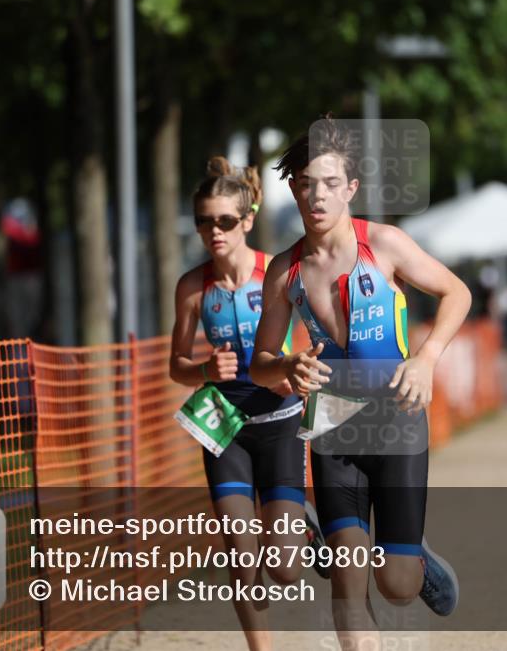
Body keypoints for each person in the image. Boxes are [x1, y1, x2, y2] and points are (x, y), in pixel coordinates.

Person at [249, 116, 470, 648]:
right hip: (333, 430)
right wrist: (285, 368)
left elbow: (457, 292)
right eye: (306, 185)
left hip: (396, 425)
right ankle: (340, 533)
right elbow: (260, 361)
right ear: (295, 190)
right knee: (347, 584)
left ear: (351, 188)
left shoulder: (386, 244)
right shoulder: (284, 272)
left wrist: (425, 358)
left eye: (329, 184)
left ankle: (412, 553)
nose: (317, 197)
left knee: (396, 585)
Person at [169, 157, 326, 651]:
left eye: (226, 221)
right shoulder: (193, 288)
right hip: (224, 426)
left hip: (279, 419)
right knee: (240, 554)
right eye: (204, 222)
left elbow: (313, 336)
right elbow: (176, 365)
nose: (214, 232)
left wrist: (294, 369)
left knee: (282, 569)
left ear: (248, 220)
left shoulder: (276, 273)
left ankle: (302, 523)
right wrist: (202, 372)